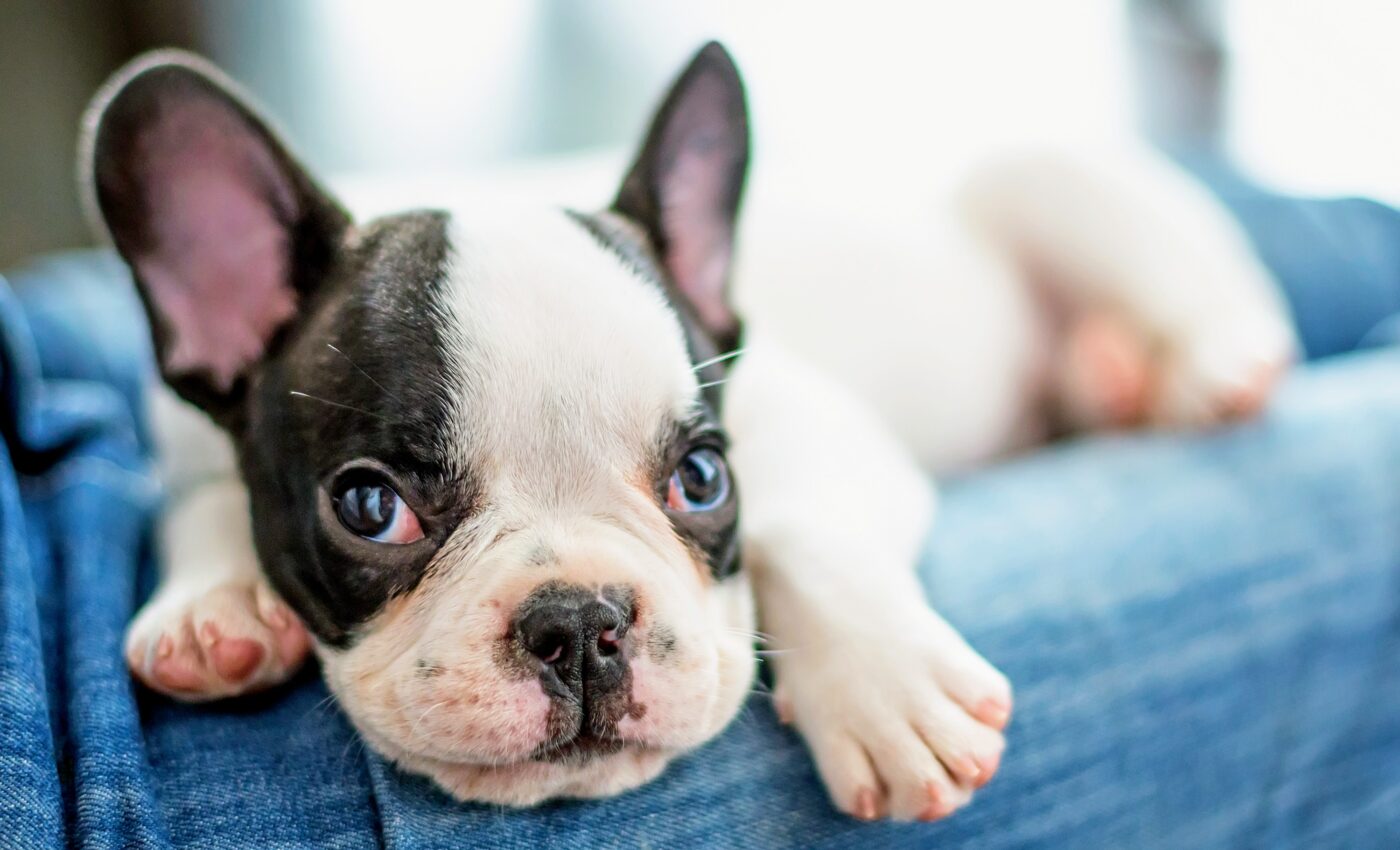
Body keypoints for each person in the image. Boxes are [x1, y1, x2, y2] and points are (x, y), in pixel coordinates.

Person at [3, 161, 1399, 848]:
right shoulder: (292, 357)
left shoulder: (632, 324)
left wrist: (836, 595)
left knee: (1060, 185)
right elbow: (211, 451)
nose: (582, 636)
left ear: (697, 279)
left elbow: (825, 445)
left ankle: (1202, 318)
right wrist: (206, 548)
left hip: (1011, 282)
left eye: (688, 483)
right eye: (385, 510)